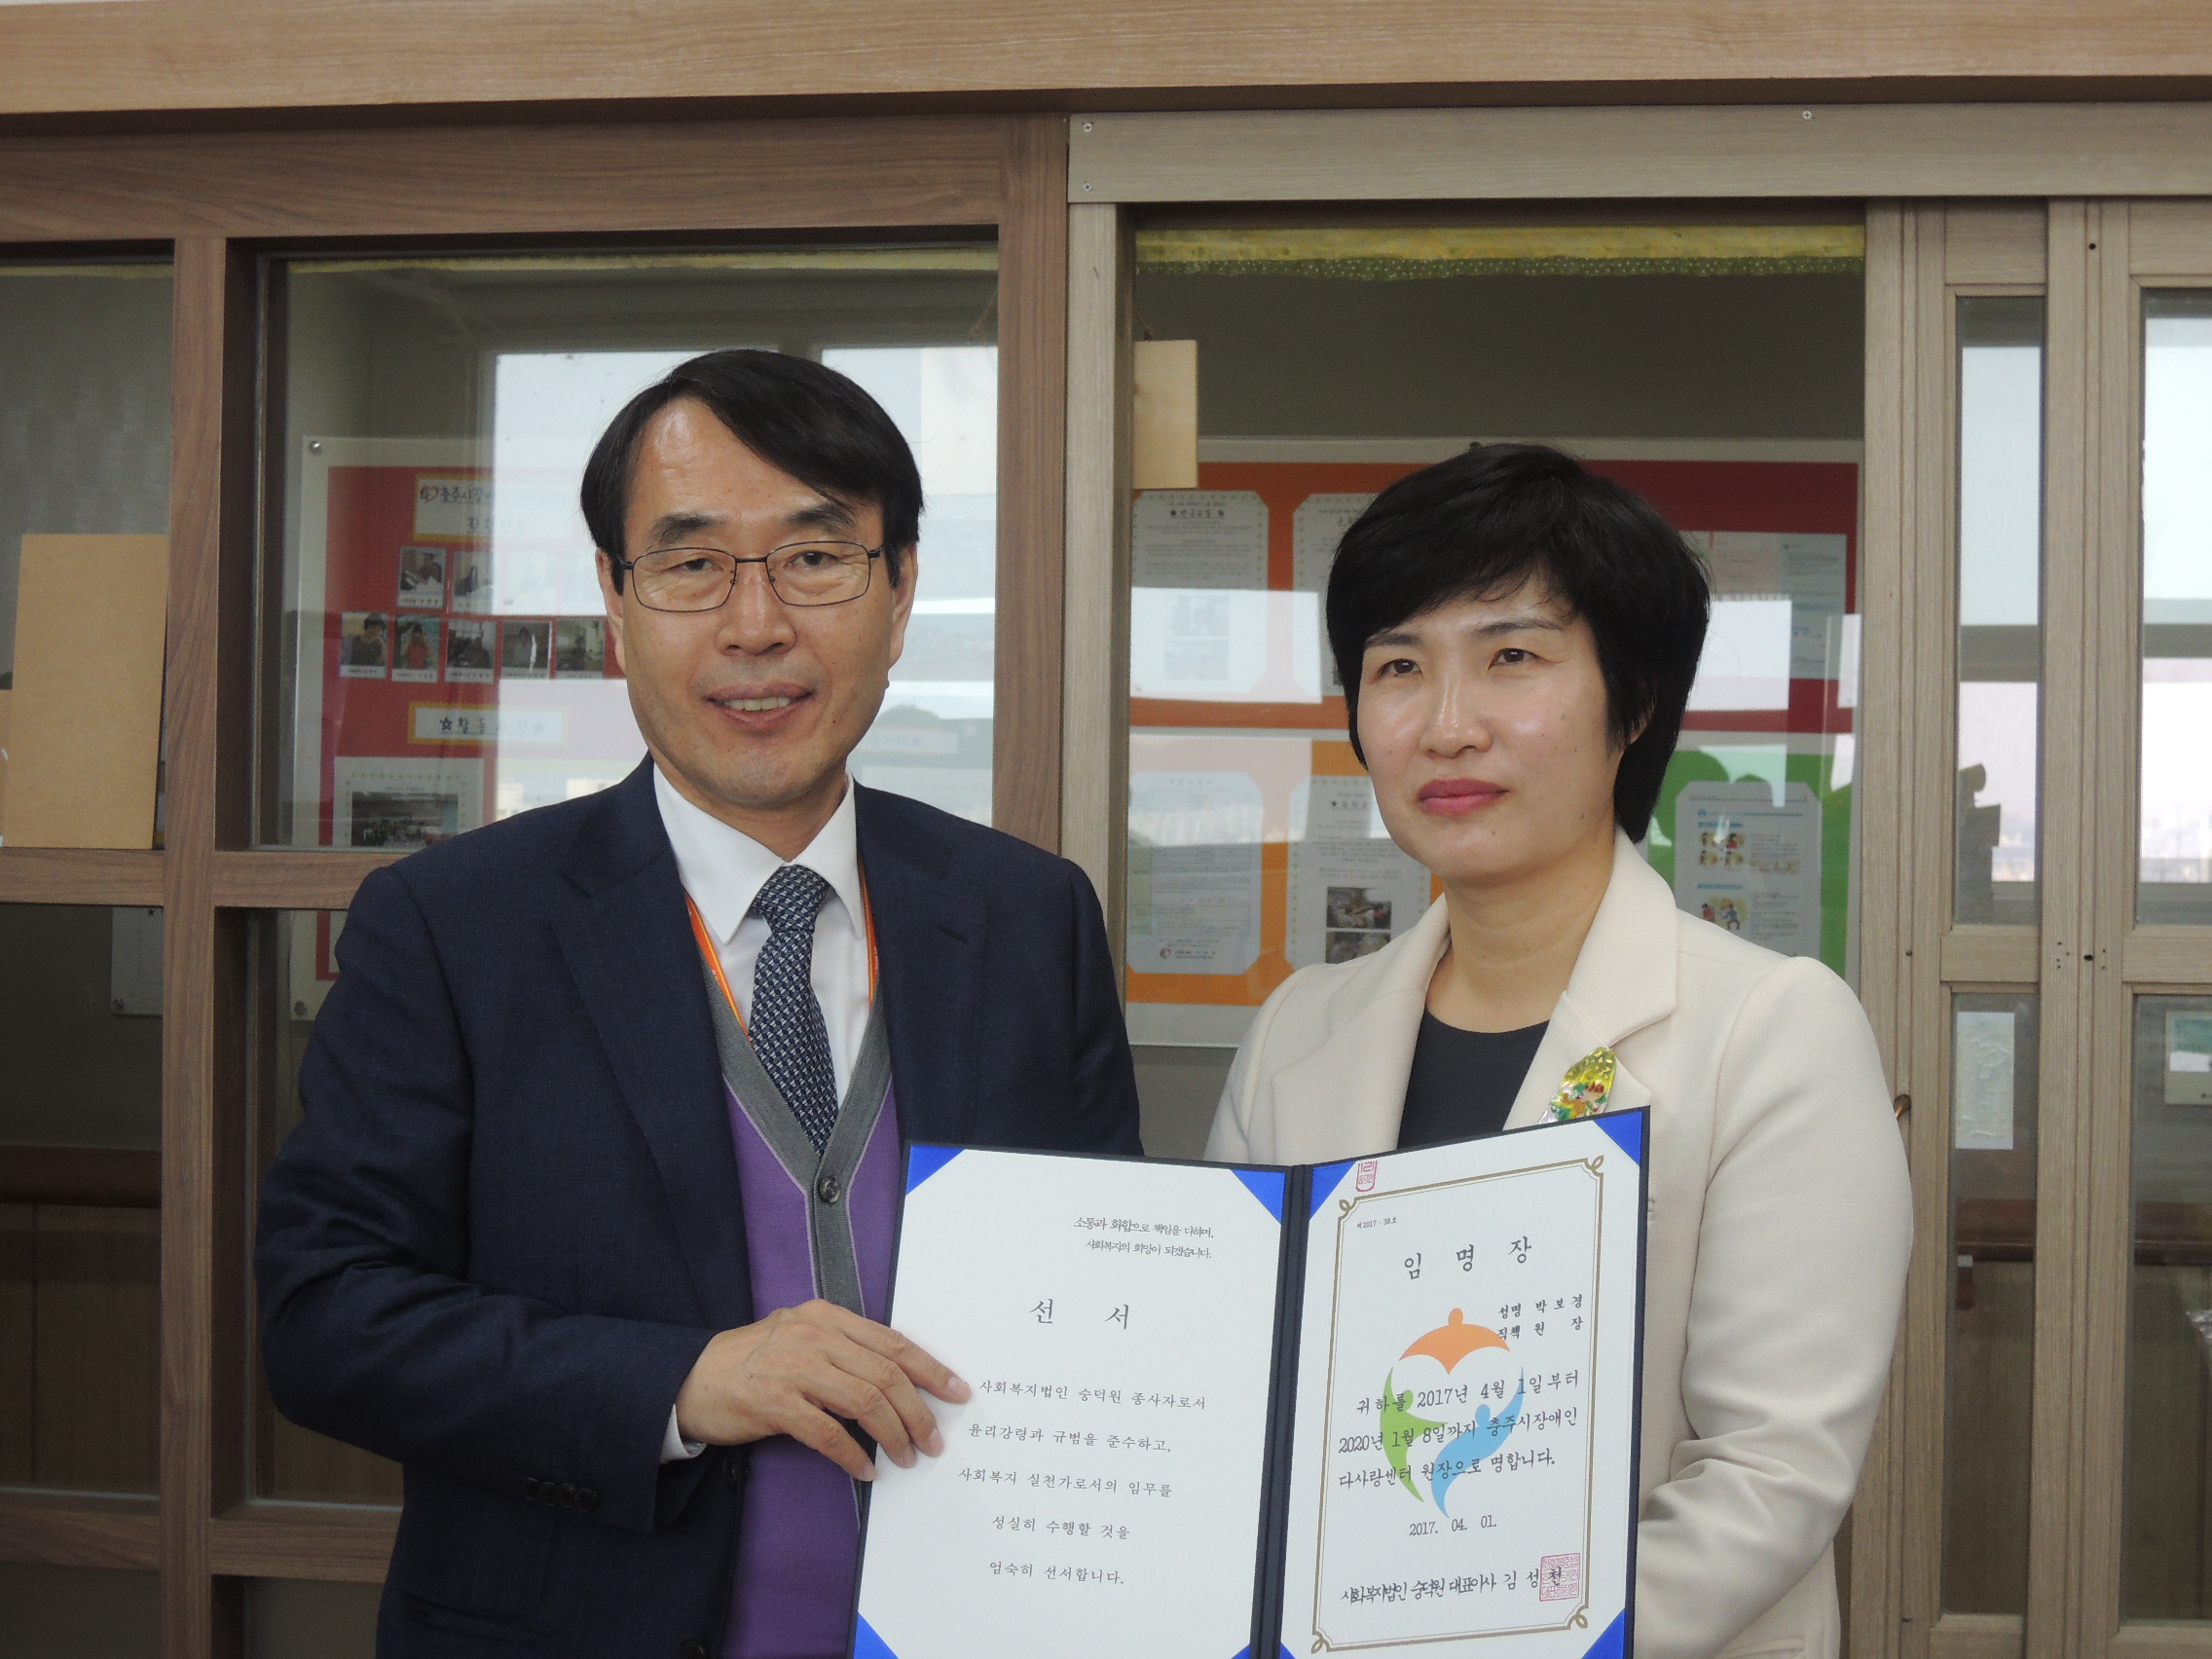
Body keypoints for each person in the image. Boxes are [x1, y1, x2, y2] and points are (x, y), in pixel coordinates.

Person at [258, 350, 1142, 1658]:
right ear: (617, 603)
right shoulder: (452, 926)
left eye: (815, 559)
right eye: (691, 565)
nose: (755, 626)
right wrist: (681, 1380)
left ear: (901, 590)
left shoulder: (1027, 917)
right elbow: (325, 1320)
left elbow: (1112, 1287)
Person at [1205, 445, 1910, 1659]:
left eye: (1512, 658)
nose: (1447, 725)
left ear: (1632, 704)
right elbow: (1239, 1400)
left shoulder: (1770, 1028)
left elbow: (1769, 1473)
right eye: (1397, 666)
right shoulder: (1295, 1030)